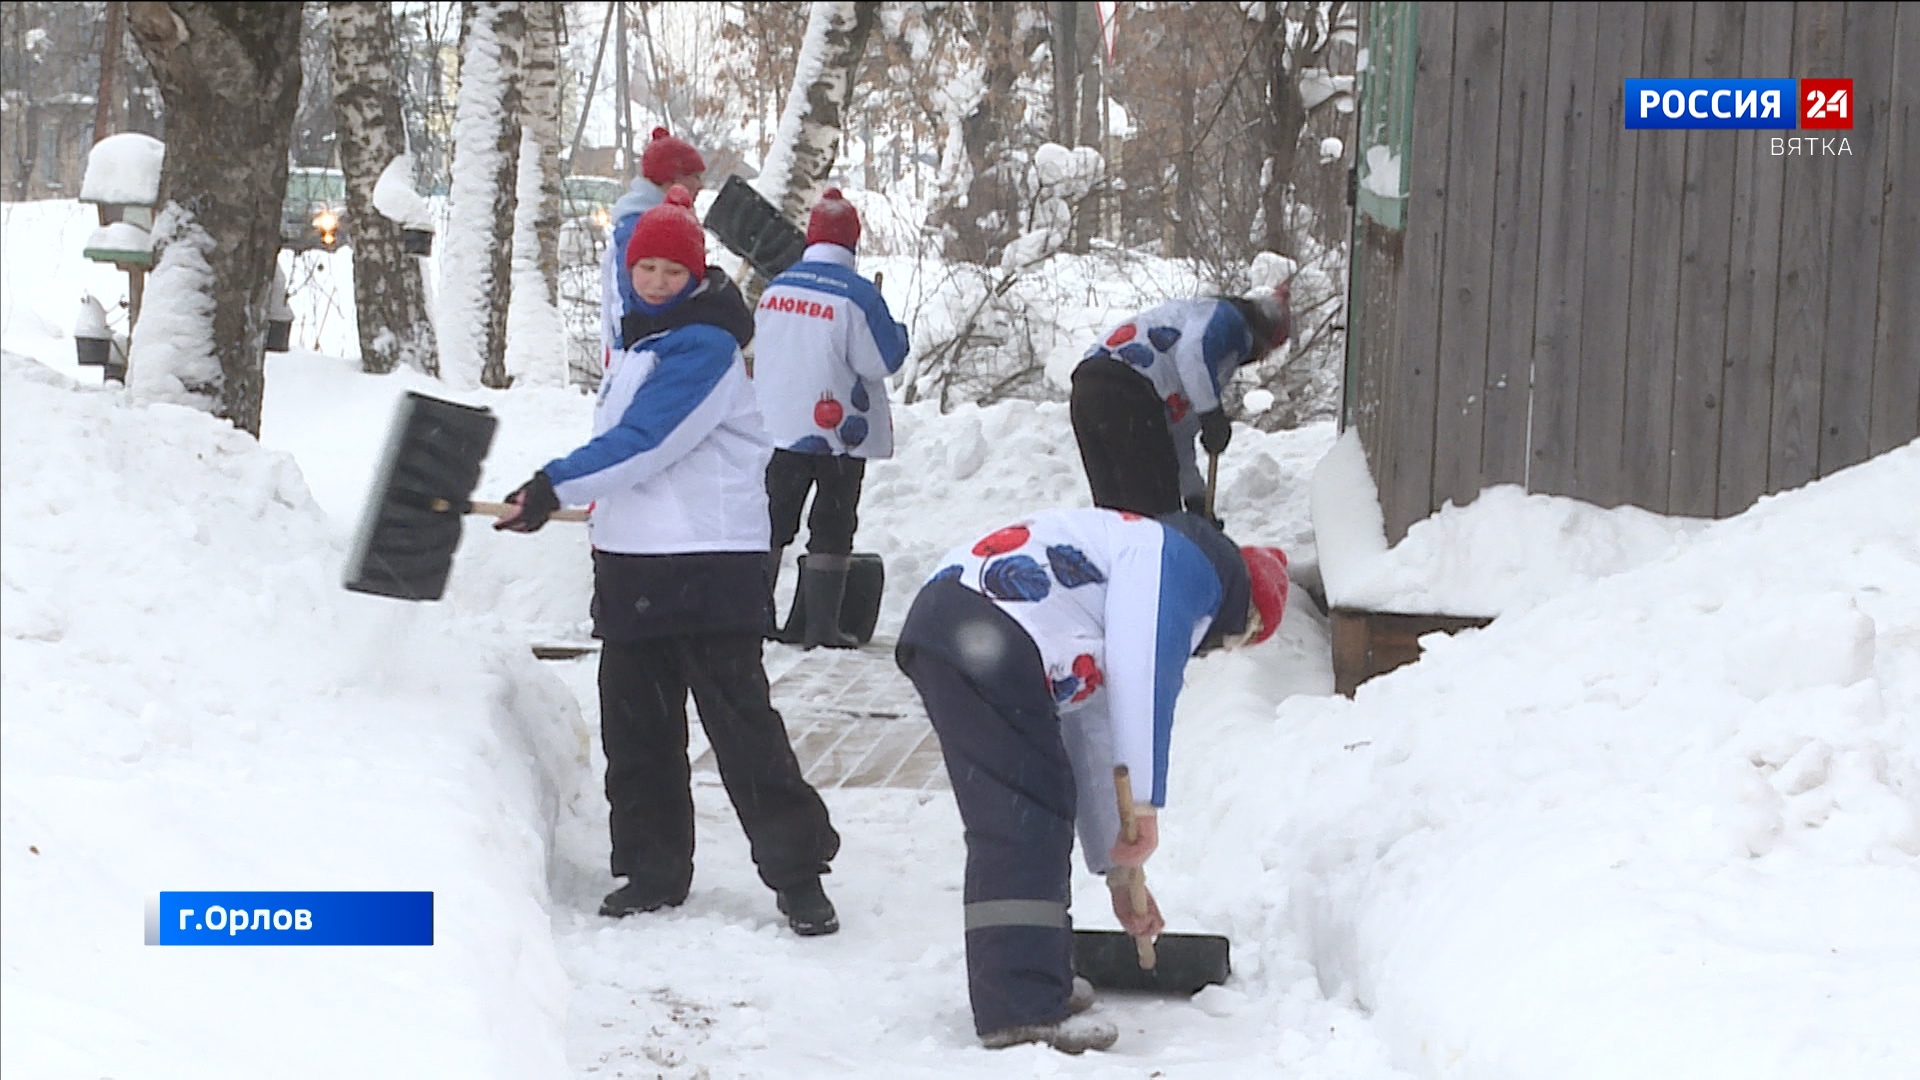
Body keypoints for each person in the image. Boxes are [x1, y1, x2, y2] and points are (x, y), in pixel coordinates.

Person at [495, 186, 843, 937]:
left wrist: (553, 484)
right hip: (633, 565)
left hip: (709, 566)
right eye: (643, 267)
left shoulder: (704, 348)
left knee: (741, 726)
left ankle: (798, 874)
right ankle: (652, 870)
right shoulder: (643, 344)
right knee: (637, 728)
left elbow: (649, 443)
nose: (654, 280)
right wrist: (569, 500)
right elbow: (633, 458)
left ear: (697, 273)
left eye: (669, 270)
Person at [893, 507, 1289, 1053]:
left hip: (959, 622)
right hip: (989, 630)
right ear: (1240, 616)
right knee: (1021, 819)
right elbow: (1143, 676)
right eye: (1233, 642)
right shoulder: (1179, 564)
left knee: (1033, 803)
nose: (1212, 651)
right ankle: (1020, 1004)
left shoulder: (1127, 563)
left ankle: (1035, 975)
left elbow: (1092, 729)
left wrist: (1120, 871)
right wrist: (1146, 806)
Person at [751, 188, 911, 648]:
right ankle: (822, 625)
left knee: (773, 520)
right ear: (853, 242)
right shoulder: (857, 295)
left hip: (778, 425)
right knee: (832, 521)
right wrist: (896, 332)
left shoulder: (777, 287)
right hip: (837, 434)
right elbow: (881, 361)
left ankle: (756, 613)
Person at [1069, 284, 1292, 522]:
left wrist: (1197, 500)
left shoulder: (1197, 353)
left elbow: (1179, 436)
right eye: (1265, 352)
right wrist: (1211, 413)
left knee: (1117, 517)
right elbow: (1192, 354)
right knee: (1157, 513)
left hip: (1088, 389)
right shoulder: (1223, 317)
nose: (1259, 359)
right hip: (1128, 389)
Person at [599, 126, 708, 368]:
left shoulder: (656, 221)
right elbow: (634, 303)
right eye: (695, 176)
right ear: (673, 180)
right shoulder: (639, 227)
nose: (700, 186)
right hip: (641, 356)